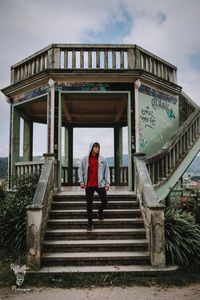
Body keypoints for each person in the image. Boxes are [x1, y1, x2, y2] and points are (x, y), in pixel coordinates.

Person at [79, 142, 110, 231]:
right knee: (89, 205)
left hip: (99, 184)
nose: (97, 149)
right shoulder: (85, 159)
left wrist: (107, 183)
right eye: (96, 147)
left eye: (98, 147)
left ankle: (99, 213)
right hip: (89, 185)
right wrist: (81, 181)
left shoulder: (102, 159)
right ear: (91, 148)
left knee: (105, 200)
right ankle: (90, 224)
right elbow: (80, 170)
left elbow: (106, 171)